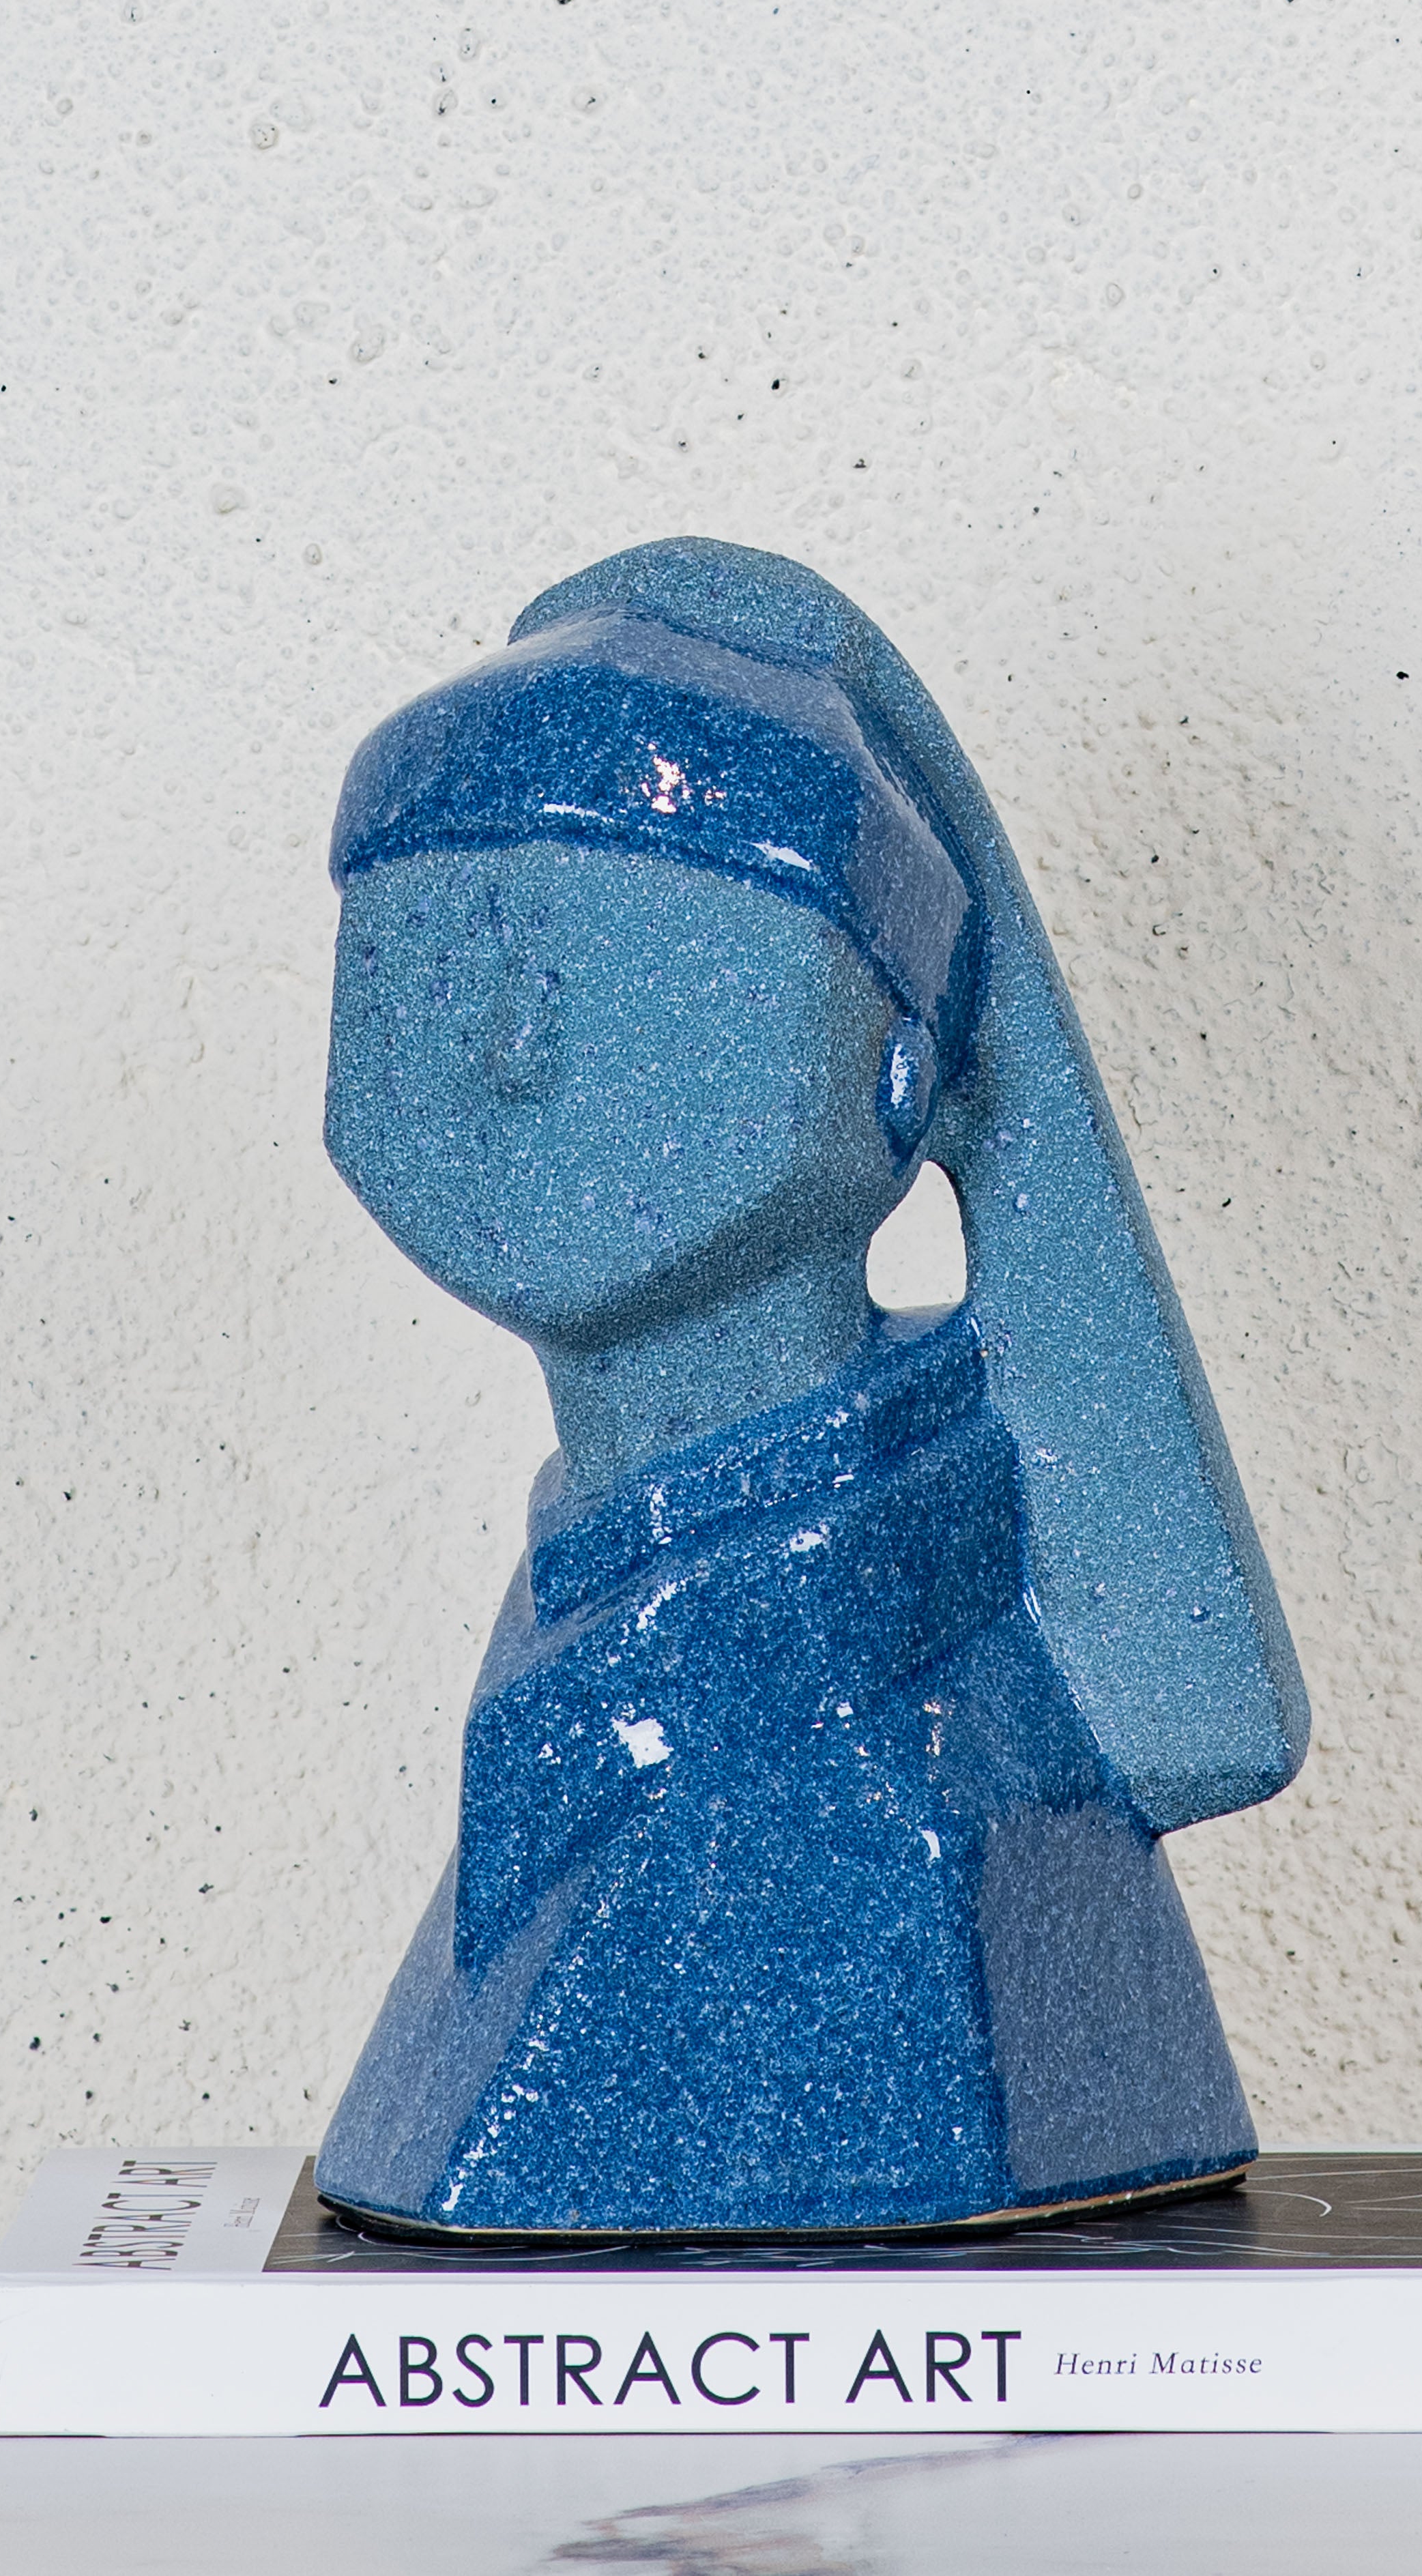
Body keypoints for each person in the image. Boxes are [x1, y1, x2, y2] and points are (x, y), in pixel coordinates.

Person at [312, 538, 1307, 2237]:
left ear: (899, 1077)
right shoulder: (602, 1597)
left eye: (636, 963)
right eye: (431, 954)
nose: (507, 1043)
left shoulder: (896, 1790)